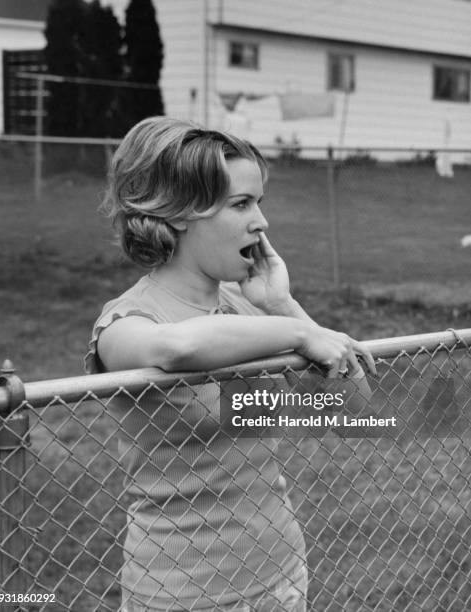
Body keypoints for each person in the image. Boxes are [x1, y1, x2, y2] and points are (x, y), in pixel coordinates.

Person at [85, 117, 375, 612]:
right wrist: (300, 333)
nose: (261, 223)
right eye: (241, 204)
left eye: (259, 203)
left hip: (282, 574)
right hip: (181, 592)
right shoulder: (124, 322)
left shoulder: (251, 311)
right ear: (177, 212)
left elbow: (354, 408)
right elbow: (175, 349)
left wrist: (281, 304)